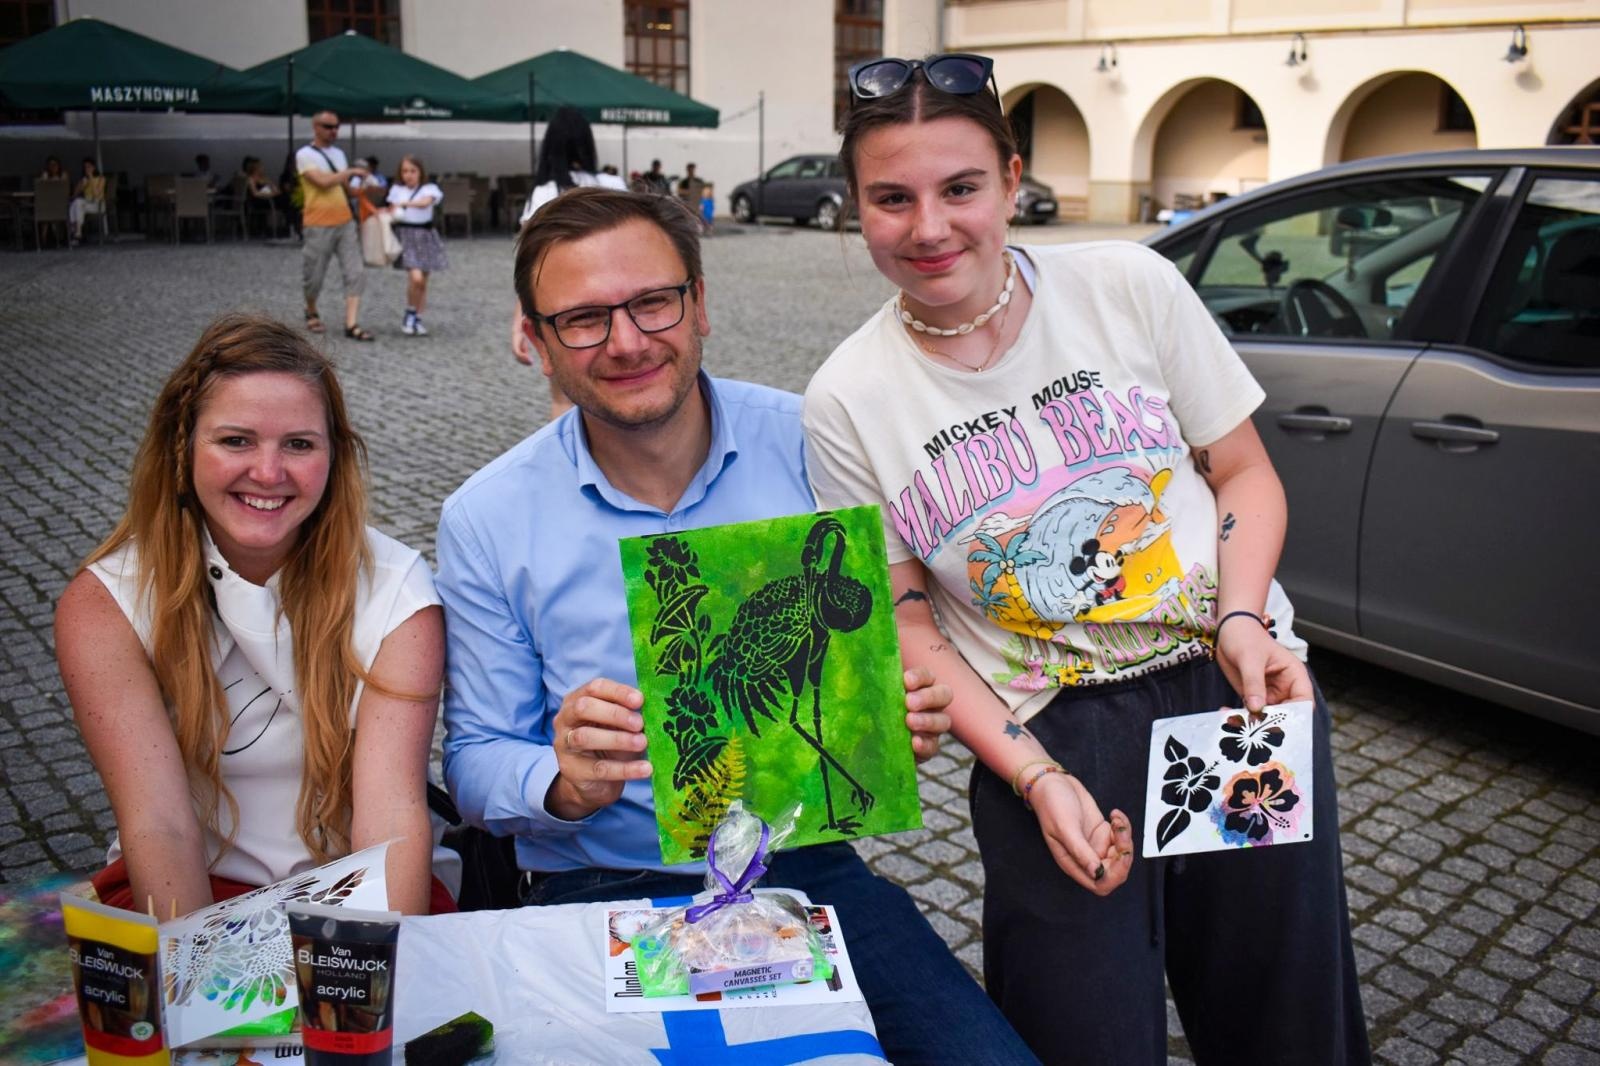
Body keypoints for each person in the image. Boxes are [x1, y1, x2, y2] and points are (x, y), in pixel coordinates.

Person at [802, 54, 1370, 1065]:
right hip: (1049, 734)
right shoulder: (847, 397)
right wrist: (1032, 776)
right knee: (1079, 1031)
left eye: (961, 188)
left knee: (1277, 1014)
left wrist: (1243, 617)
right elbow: (906, 618)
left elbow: (1242, 472)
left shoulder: (1125, 286)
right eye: (892, 198)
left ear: (1012, 180)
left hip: (1226, 695)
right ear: (856, 206)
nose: (929, 226)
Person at [438, 187, 1040, 1066]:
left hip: (804, 866)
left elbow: (909, 627)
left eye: (653, 301)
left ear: (700, 304)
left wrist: (893, 713)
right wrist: (562, 782)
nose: (627, 341)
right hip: (602, 884)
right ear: (535, 340)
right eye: (584, 319)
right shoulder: (486, 517)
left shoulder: (815, 443)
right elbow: (474, 760)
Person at [55, 313, 455, 919]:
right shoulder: (107, 603)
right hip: (197, 877)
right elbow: (159, 823)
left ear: (334, 455)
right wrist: (198, 971)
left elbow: (389, 820)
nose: (268, 473)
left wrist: (377, 967)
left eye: (299, 444)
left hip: (355, 883)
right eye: (236, 440)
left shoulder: (396, 590)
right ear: (182, 446)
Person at [509, 105, 626, 418]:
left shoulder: (543, 194)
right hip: (619, 305)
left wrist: (519, 325)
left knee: (563, 399)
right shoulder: (614, 186)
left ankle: (569, 452)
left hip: (567, 311)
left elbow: (531, 270)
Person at [296, 110, 375, 341]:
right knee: (314, 275)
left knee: (355, 272)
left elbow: (344, 188)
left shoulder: (339, 154)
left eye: (336, 126)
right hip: (318, 222)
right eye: (328, 126)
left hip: (344, 220)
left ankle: (351, 324)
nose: (334, 131)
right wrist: (350, 172)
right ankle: (311, 309)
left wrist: (362, 188)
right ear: (316, 127)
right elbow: (322, 182)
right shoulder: (304, 155)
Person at [385, 154, 448, 337]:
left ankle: (417, 318)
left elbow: (425, 203)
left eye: (413, 171)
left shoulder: (430, 188)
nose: (409, 175)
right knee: (416, 278)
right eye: (405, 171)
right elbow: (391, 209)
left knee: (423, 282)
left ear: (420, 172)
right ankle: (410, 311)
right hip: (406, 236)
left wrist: (405, 203)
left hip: (425, 235)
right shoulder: (397, 189)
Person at [68, 156, 105, 245]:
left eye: (89, 167)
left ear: (93, 167)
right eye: (85, 167)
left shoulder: (101, 179)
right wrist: (81, 186)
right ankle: (78, 232)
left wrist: (91, 178)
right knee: (76, 202)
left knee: (77, 204)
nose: (87, 169)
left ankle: (74, 231)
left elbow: (96, 194)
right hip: (86, 204)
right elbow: (74, 195)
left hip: (98, 204)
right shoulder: (83, 179)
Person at [676, 162, 710, 234]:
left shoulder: (699, 181)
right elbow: (680, 193)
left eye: (692, 169)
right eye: (689, 169)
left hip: (697, 203)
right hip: (687, 203)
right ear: (687, 170)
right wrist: (690, 192)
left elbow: (705, 192)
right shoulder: (684, 182)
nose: (691, 171)